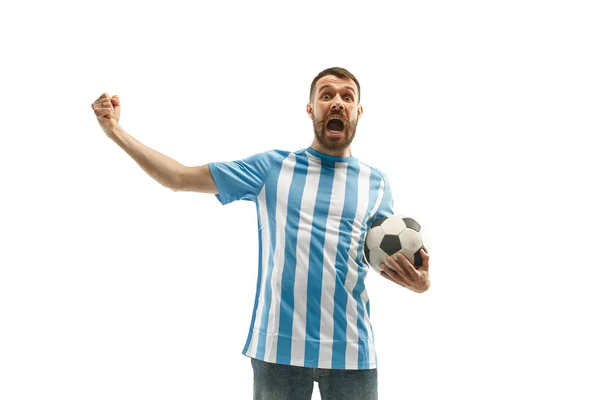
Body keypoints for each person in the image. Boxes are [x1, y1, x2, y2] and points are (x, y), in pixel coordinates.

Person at [91, 67, 431, 400]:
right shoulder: (272, 168)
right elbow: (179, 177)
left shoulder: (377, 184)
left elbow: (385, 259)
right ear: (311, 108)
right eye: (326, 95)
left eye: (347, 96)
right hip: (277, 352)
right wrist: (115, 132)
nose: (336, 102)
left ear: (359, 111)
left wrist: (420, 283)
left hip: (352, 353)